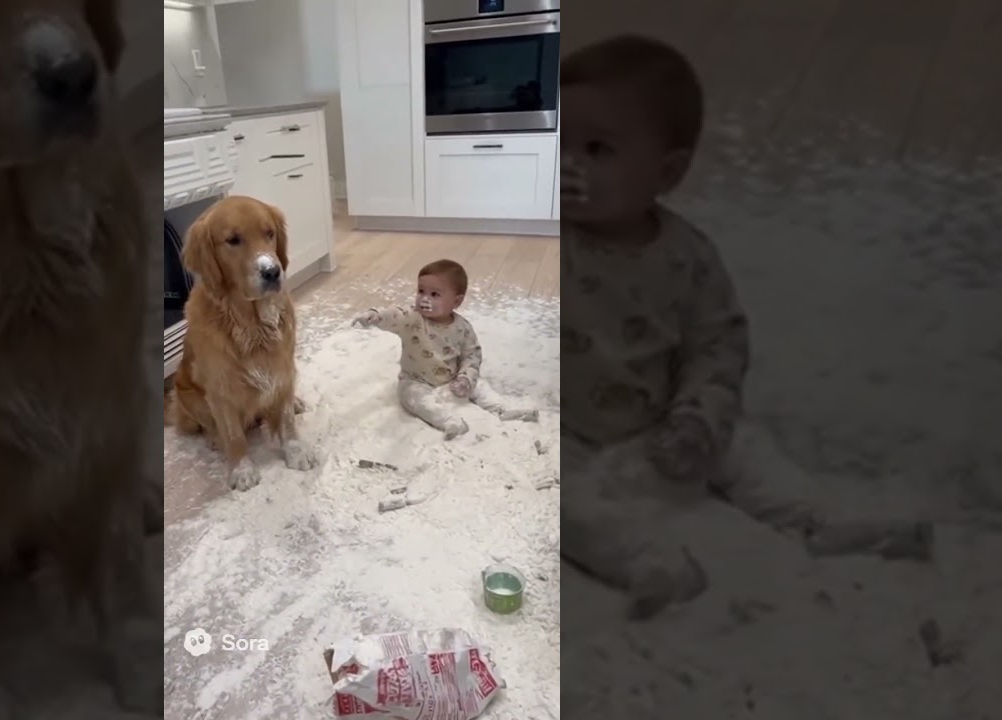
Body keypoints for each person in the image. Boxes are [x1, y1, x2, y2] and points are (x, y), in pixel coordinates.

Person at [559, 35, 929, 616]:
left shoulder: (688, 257)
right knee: (556, 500)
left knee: (750, 450)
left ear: (667, 171)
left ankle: (820, 520)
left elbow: (718, 344)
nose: (567, 165)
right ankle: (646, 562)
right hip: (570, 434)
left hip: (665, 421)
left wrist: (699, 416)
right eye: (555, 143)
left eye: (597, 149)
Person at [353, 259, 539, 439]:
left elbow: (472, 355)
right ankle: (448, 421)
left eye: (435, 294)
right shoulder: (413, 319)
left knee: (481, 386)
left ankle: (502, 409)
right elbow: (396, 315)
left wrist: (466, 378)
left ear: (456, 302)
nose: (425, 299)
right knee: (414, 398)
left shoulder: (463, 328)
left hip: (453, 377)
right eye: (421, 291)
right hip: (417, 380)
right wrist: (376, 316)